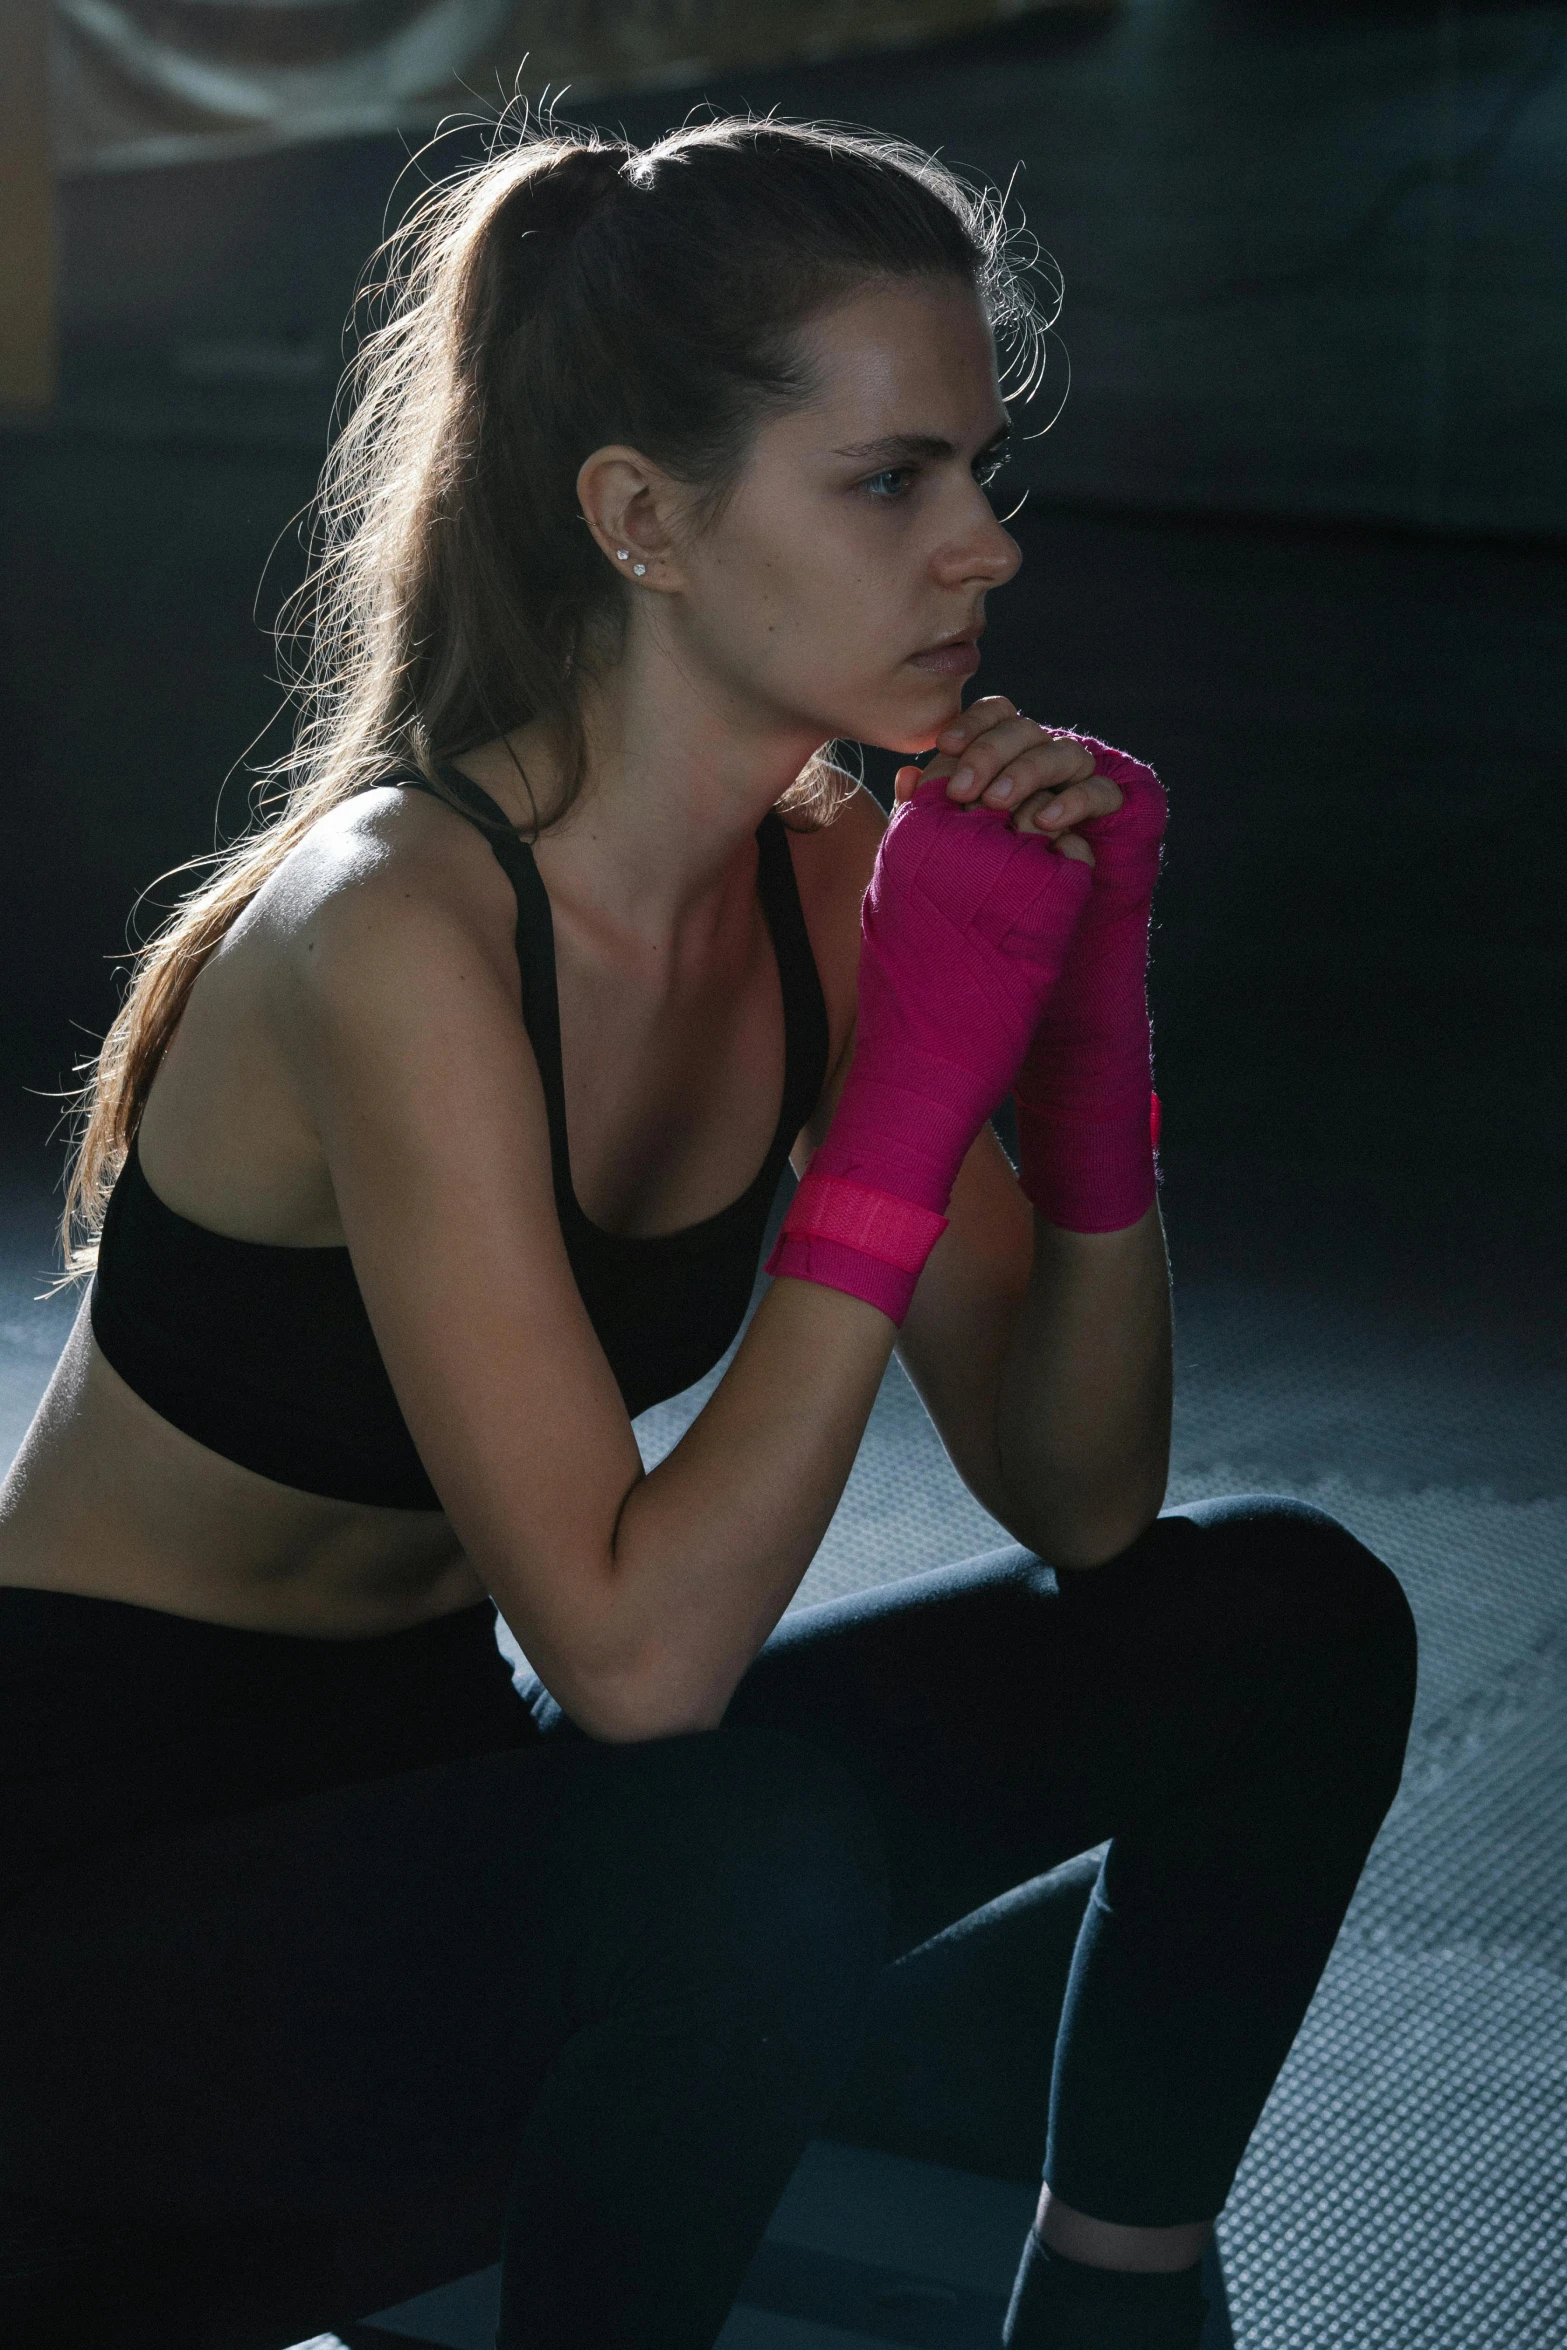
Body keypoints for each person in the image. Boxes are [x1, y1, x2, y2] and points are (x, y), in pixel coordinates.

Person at [0, 116, 1416, 2350]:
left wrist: (1082, 1051)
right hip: (91, 1961)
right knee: (740, 1861)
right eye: (892, 482)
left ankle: (1121, 2298)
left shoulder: (831, 888)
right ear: (641, 519)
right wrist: (900, 1112)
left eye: (980, 476)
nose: (982, 552)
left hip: (452, 1845)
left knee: (1283, 1619)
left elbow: (1086, 1496)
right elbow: (644, 1663)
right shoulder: (396, 928)